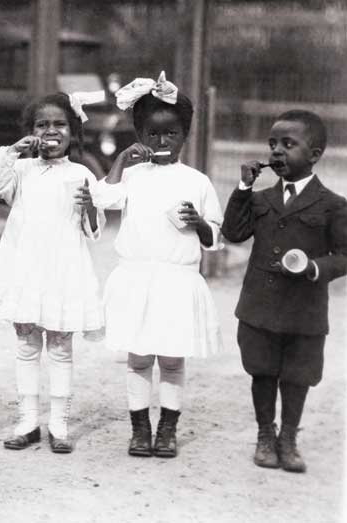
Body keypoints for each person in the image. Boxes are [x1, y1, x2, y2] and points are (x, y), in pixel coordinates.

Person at [92, 72, 224, 458]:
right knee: (138, 357)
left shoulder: (197, 181)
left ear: (185, 135)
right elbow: (105, 199)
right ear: (139, 134)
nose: (162, 142)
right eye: (152, 134)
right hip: (137, 277)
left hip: (177, 280)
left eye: (171, 135)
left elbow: (216, 235)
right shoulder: (132, 175)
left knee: (170, 357)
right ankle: (139, 429)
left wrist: (197, 223)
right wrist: (120, 161)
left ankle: (167, 428)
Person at [221, 110, 347, 472]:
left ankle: (288, 437)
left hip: (303, 311)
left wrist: (314, 268)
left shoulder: (333, 205)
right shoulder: (260, 199)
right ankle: (265, 434)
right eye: (272, 144)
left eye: (288, 145)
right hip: (260, 306)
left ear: (315, 153)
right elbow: (234, 232)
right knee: (262, 371)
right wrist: (244, 187)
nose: (277, 152)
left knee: (297, 375)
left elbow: (344, 256)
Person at [0, 92, 105, 453]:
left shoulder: (82, 173)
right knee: (25, 343)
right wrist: (11, 152)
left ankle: (59, 424)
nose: (50, 131)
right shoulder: (20, 168)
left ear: (73, 132)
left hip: (63, 267)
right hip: (25, 265)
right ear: (31, 131)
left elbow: (93, 231)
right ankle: (27, 421)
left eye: (59, 124)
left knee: (61, 346)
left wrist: (90, 209)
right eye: (42, 124)